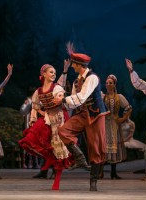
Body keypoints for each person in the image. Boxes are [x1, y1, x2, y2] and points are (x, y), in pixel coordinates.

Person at [55, 42, 108, 191]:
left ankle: (93, 181)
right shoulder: (77, 81)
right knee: (63, 131)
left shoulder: (92, 78)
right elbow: (74, 101)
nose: (72, 66)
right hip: (82, 114)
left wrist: (64, 99)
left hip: (95, 114)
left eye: (74, 64)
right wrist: (61, 103)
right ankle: (80, 158)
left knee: (95, 148)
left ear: (79, 65)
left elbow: (82, 96)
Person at [19, 61, 73, 190]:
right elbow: (35, 106)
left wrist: (64, 72)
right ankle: (47, 164)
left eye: (55, 72)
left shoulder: (57, 88)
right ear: (43, 74)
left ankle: (56, 182)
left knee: (58, 149)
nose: (53, 74)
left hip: (59, 120)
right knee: (34, 137)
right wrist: (34, 118)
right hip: (48, 119)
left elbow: (60, 89)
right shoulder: (38, 91)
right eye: (51, 72)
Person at [100, 74, 132, 179]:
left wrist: (123, 119)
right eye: (107, 83)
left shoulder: (119, 97)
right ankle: (100, 172)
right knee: (103, 146)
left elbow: (128, 107)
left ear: (114, 85)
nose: (108, 84)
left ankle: (113, 172)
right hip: (104, 123)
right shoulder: (102, 96)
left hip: (114, 124)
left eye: (111, 83)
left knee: (114, 147)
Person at [19, 88, 41, 170]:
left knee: (34, 144)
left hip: (33, 125)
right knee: (30, 144)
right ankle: (28, 163)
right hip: (28, 125)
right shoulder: (28, 102)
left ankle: (33, 163)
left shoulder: (35, 101)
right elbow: (22, 111)